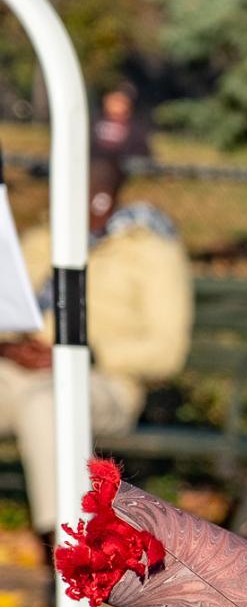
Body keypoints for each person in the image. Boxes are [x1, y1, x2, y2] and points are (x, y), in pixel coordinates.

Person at [0, 154, 192, 543]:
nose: (92, 207)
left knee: (49, 405)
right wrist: (12, 346)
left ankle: (66, 549)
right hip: (22, 370)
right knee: (33, 395)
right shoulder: (42, 241)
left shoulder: (150, 251)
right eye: (81, 194)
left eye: (101, 196)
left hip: (104, 382)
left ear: (118, 194)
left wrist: (88, 354)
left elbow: (167, 351)